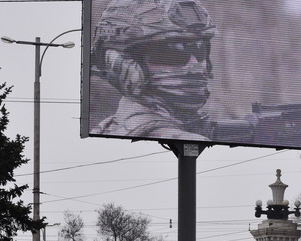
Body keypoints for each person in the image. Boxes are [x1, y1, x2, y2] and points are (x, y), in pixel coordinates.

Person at [91, 0, 217, 140]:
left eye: (200, 50)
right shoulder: (189, 140)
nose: (196, 66)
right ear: (121, 64)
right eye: (172, 53)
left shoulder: (106, 130)